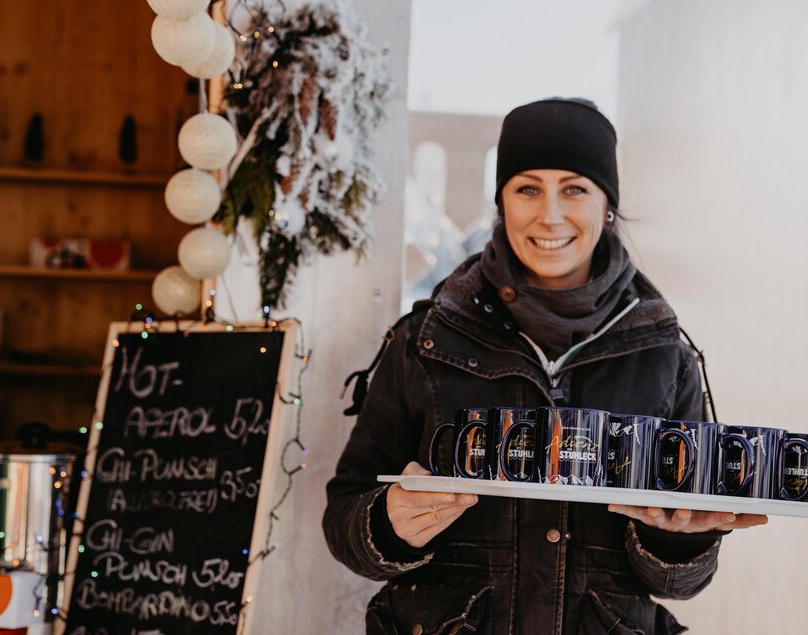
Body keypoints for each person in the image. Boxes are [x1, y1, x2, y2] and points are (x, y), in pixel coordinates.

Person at [323, 98, 767, 634]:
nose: (550, 214)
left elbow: (681, 583)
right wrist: (391, 525)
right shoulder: (428, 337)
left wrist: (678, 537)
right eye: (527, 188)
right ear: (502, 203)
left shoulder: (662, 353)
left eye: (575, 188)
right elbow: (346, 516)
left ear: (607, 205)